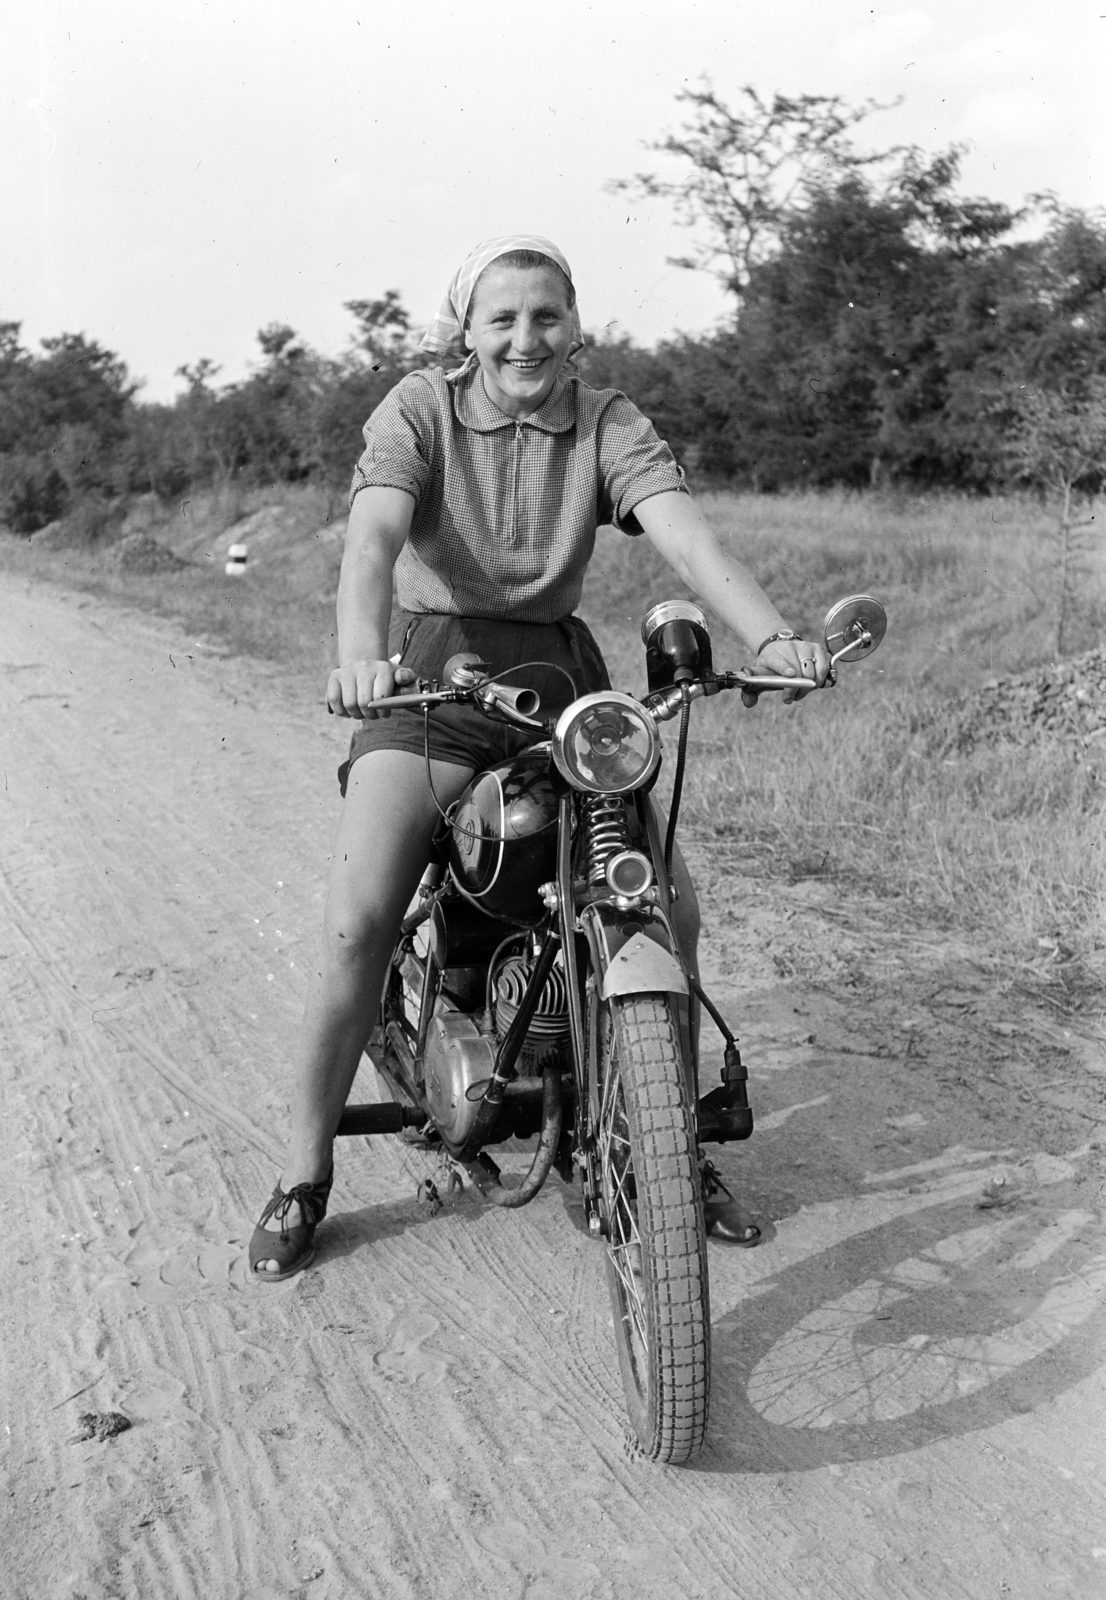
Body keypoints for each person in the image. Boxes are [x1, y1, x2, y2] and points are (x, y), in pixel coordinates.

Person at [249, 234, 830, 1280]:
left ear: (575, 327)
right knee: (357, 919)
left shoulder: (606, 420)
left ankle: (666, 1142)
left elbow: (685, 537)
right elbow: (373, 541)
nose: (526, 337)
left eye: (546, 316)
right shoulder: (418, 407)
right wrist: (358, 659)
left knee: (659, 904)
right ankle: (301, 1171)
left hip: (560, 680)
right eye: (502, 318)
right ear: (464, 331)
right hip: (432, 678)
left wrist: (768, 639)